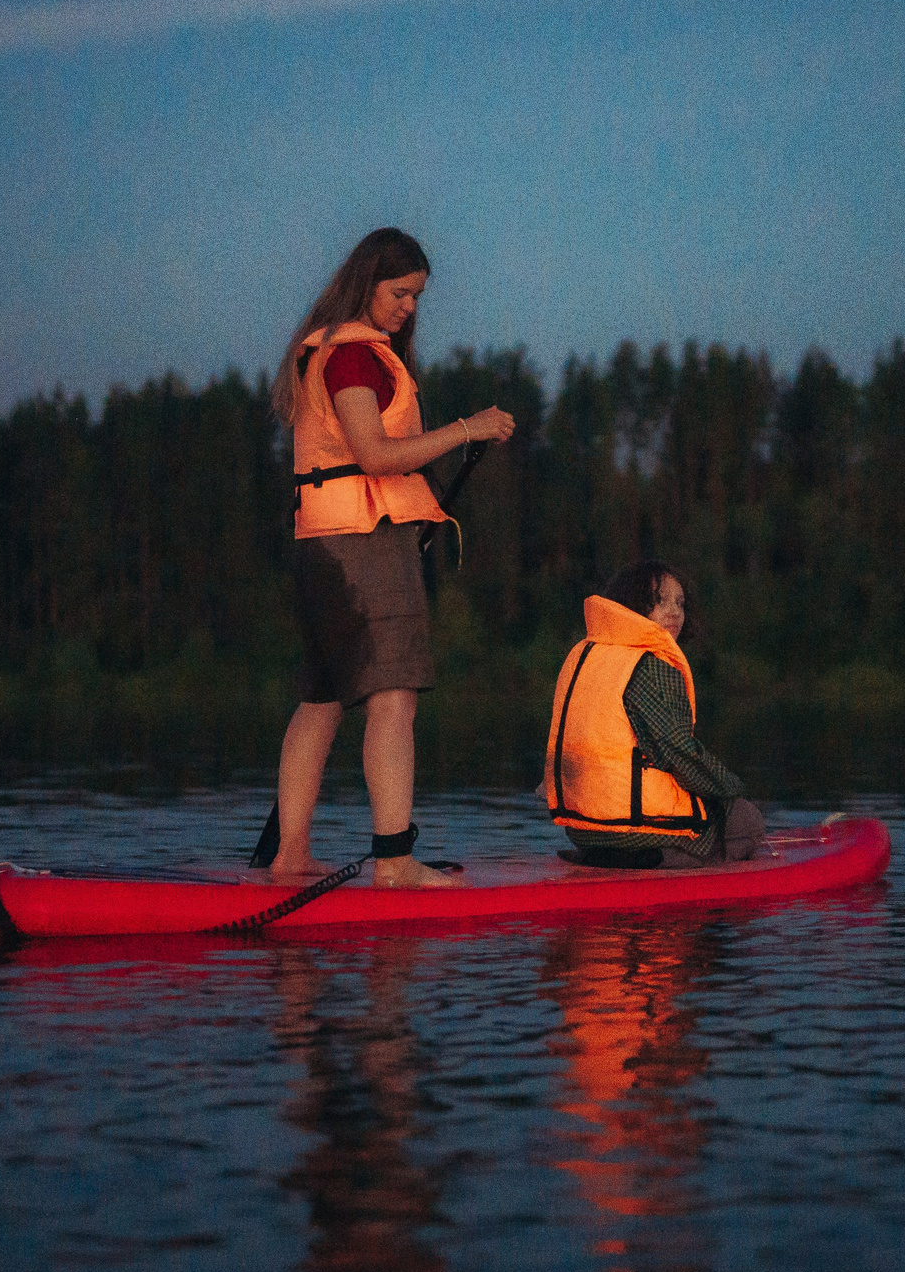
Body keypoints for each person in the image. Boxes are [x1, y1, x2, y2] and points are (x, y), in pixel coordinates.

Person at [260, 228, 515, 888]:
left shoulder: (343, 353)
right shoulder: (352, 358)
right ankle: (395, 860)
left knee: (321, 698)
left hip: (324, 543)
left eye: (417, 297)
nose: (408, 307)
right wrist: (467, 429)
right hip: (361, 545)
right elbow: (373, 455)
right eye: (399, 292)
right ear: (367, 282)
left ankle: (290, 856)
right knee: (393, 697)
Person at [542, 560, 766, 868]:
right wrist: (731, 788)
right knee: (747, 818)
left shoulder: (584, 655)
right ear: (632, 605)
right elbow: (679, 753)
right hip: (636, 833)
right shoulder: (652, 665)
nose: (674, 612)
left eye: (680, 603)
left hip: (580, 831)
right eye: (659, 601)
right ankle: (662, 859)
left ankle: (611, 855)